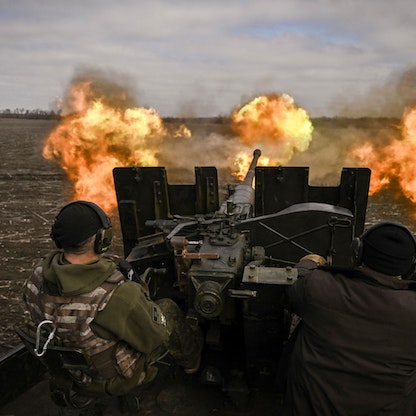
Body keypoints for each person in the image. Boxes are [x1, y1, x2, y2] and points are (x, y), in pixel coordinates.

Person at [23, 200, 202, 398]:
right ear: (103, 240)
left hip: (68, 372)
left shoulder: (37, 276)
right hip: (108, 380)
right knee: (168, 309)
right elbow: (154, 339)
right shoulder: (119, 295)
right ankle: (192, 364)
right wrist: (138, 289)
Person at [281, 221, 416, 416]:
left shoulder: (319, 287)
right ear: (410, 266)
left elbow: (296, 283)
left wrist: (311, 260)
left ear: (357, 252)